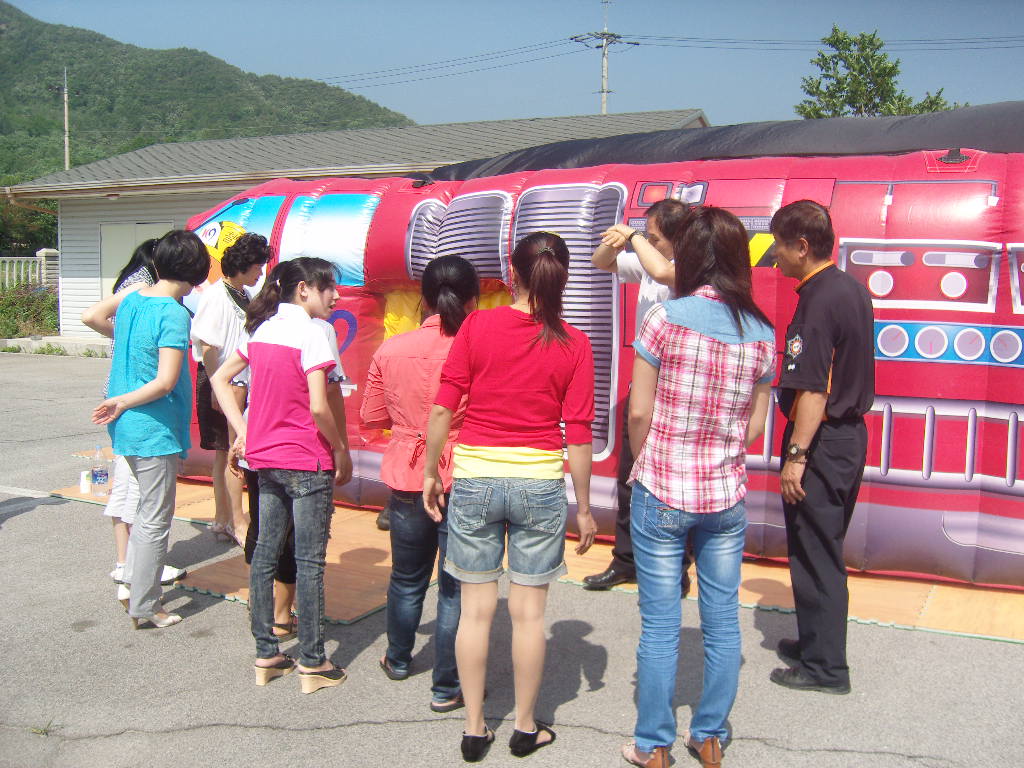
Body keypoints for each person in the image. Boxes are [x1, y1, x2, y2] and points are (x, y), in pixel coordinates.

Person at [423, 232, 597, 763]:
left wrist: (431, 471)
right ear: (563, 277)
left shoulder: (477, 325)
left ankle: (475, 729)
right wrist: (584, 507)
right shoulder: (574, 342)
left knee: (475, 614)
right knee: (528, 616)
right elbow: (579, 433)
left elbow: (443, 406)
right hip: (539, 482)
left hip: (475, 477)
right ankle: (525, 727)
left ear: (512, 273)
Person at [621, 207, 774, 768]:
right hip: (725, 494)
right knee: (722, 620)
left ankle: (652, 744)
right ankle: (709, 735)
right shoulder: (762, 333)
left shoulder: (665, 318)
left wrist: (648, 459)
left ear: (688, 257)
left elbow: (639, 412)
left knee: (661, 625)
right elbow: (755, 427)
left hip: (663, 485)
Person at [211, 257, 353, 694]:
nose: (335, 296)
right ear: (304, 289)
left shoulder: (262, 330)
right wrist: (340, 448)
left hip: (265, 461)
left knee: (265, 555)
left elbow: (220, 380)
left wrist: (244, 430)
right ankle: (313, 660)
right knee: (309, 562)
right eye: (328, 287)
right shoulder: (314, 334)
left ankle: (267, 654)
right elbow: (319, 405)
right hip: (307, 460)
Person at [360, 255, 479, 713]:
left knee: (407, 576)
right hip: (464, 471)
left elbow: (372, 415)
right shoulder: (477, 349)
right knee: (455, 585)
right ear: (472, 300)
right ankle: (447, 685)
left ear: (423, 299)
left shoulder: (391, 349)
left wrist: (409, 421)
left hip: (408, 472)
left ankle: (397, 658)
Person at [767, 200, 874, 695]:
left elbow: (813, 387)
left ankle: (826, 667)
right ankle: (815, 641)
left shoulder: (817, 300)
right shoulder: (849, 288)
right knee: (818, 544)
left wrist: (797, 456)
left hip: (822, 442)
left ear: (802, 246)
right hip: (847, 439)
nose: (775, 255)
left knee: (816, 552)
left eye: (779, 245)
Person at [92, 230, 211, 629]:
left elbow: (93, 316)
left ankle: (136, 590)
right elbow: (165, 381)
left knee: (144, 513)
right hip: (152, 427)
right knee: (154, 520)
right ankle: (145, 603)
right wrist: (124, 401)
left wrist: (120, 400)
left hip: (127, 426)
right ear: (197, 271)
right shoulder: (173, 313)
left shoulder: (132, 299)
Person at [585, 199, 693, 592]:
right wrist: (615, 241)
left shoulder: (690, 268)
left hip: (677, 389)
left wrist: (632, 236)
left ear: (677, 238)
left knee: (673, 483)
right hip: (644, 385)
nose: (648, 241)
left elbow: (664, 271)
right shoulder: (648, 261)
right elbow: (601, 263)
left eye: (654, 237)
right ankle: (626, 560)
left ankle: (677, 566)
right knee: (630, 476)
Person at [82, 238, 186, 589]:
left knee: (134, 489)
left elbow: (92, 316)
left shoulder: (138, 290)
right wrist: (132, 337)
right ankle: (131, 569)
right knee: (137, 495)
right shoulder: (145, 291)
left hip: (124, 395)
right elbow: (91, 316)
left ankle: (129, 565)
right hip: (136, 399)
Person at [190, 233, 271, 546]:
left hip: (236, 381)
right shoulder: (216, 295)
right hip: (222, 380)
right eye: (257, 267)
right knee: (233, 450)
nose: (260, 273)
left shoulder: (243, 294)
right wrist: (216, 385)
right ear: (244, 265)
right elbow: (208, 346)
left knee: (226, 451)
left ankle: (223, 517)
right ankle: (236, 520)